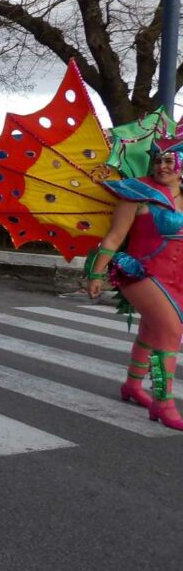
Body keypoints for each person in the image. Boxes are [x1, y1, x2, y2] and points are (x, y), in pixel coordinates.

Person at [86, 143, 183, 430]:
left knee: (152, 331)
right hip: (141, 273)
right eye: (157, 161)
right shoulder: (137, 194)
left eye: (169, 161)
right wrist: (96, 274)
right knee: (170, 331)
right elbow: (114, 237)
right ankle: (162, 402)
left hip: (178, 277)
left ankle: (131, 385)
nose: (162, 166)